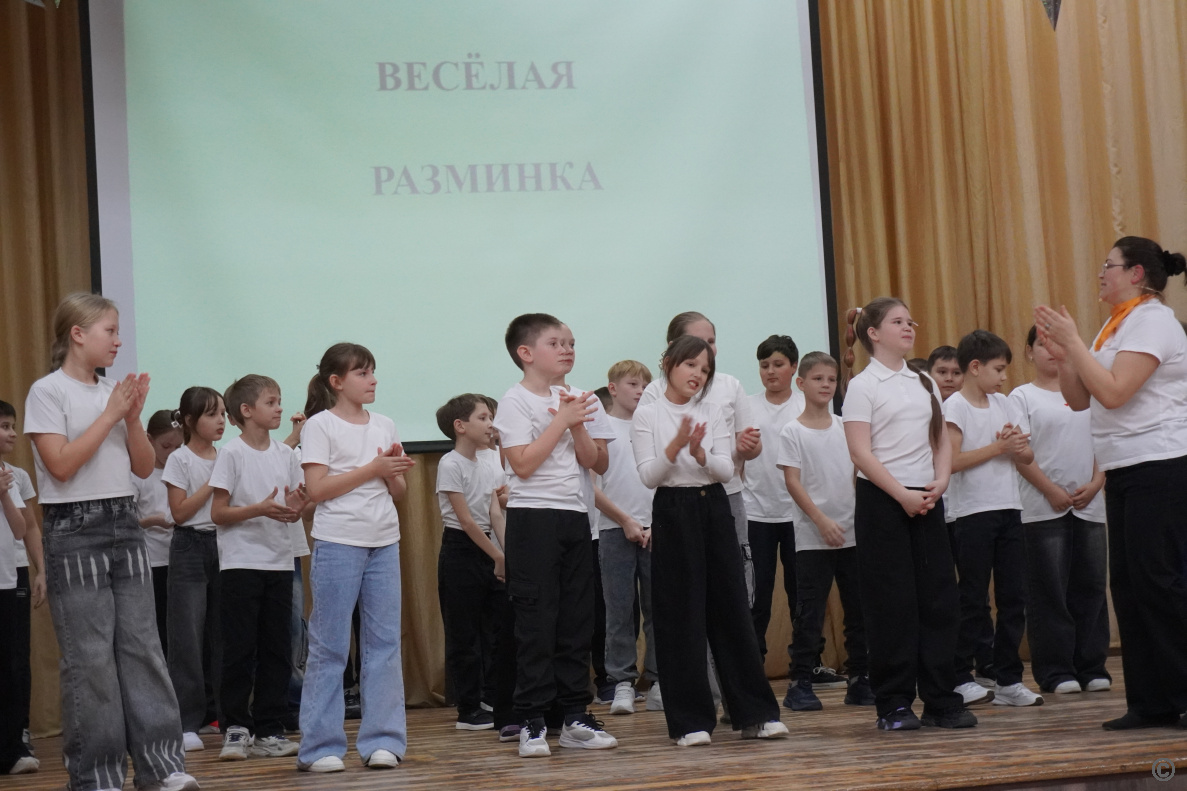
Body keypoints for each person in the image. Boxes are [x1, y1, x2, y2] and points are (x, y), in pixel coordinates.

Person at [24, 292, 198, 790]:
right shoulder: (48, 391)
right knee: (91, 659)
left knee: (144, 648)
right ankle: (97, 776)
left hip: (124, 520)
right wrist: (110, 414)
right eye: (110, 331)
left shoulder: (112, 394)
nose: (118, 341)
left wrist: (131, 416)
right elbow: (60, 465)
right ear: (78, 334)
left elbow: (143, 467)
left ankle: (162, 768)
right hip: (74, 527)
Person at [1035, 236, 1187, 730]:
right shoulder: (1113, 325)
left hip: (1160, 464)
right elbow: (1081, 400)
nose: (1101, 273)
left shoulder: (1153, 321)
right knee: (1128, 586)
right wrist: (1065, 356)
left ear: (1136, 273)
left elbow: (1116, 392)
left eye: (1109, 265)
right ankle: (1150, 702)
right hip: (1124, 468)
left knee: (1160, 583)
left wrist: (1076, 344)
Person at [632, 335, 787, 746]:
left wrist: (701, 455)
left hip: (714, 505)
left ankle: (756, 714)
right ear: (669, 363)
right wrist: (675, 447)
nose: (698, 375)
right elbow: (649, 476)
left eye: (705, 369)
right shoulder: (648, 413)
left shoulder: (713, 410)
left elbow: (725, 469)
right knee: (680, 615)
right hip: (672, 510)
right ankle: (690, 722)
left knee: (732, 609)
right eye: (690, 365)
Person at [842, 297, 973, 731]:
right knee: (891, 603)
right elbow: (860, 451)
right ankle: (894, 703)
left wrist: (941, 479)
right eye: (897, 321)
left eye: (910, 321)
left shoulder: (923, 380)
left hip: (927, 498)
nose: (908, 327)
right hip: (884, 501)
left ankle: (941, 699)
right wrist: (901, 494)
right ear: (873, 333)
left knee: (939, 599)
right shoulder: (864, 385)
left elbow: (939, 439)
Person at [493, 313, 618, 758]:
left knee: (575, 622)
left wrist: (577, 422)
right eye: (555, 343)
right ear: (526, 353)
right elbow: (522, 464)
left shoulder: (583, 399)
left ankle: (574, 716)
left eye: (570, 342)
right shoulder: (514, 401)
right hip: (532, 520)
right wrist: (561, 421)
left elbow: (597, 462)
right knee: (536, 621)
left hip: (576, 518)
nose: (567, 349)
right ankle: (531, 719)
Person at [297, 343, 413, 771]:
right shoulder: (320, 425)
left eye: (372, 371)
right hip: (338, 541)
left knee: (384, 644)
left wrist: (394, 473)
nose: (372, 380)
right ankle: (321, 746)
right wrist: (374, 469)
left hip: (384, 540)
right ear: (337, 382)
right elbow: (317, 490)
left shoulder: (384, 424)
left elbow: (398, 492)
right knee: (329, 645)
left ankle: (383, 740)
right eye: (362, 373)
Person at [210, 375, 307, 761]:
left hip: (280, 562)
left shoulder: (286, 455)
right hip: (240, 563)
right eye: (271, 402)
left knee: (277, 648)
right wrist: (260, 509)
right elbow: (218, 513)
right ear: (247, 411)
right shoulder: (231, 453)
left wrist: (297, 506)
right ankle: (236, 727)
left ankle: (270, 728)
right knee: (239, 648)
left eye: (279, 400)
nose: (280, 408)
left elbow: (297, 505)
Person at [944, 330, 1042, 708]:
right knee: (972, 598)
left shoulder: (1004, 403)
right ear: (975, 367)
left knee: (1014, 597)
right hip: (972, 514)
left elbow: (1026, 456)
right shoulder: (955, 407)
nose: (1003, 377)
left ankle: (1008, 680)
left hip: (1010, 509)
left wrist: (1016, 446)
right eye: (998, 369)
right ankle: (959, 675)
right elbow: (952, 462)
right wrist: (998, 447)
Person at [1010, 325, 1110, 695]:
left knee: (1092, 586)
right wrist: (1051, 490)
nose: (1051, 351)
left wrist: (1097, 482)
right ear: (1029, 351)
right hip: (1041, 507)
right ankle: (1056, 671)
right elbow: (1017, 453)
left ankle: (1092, 666)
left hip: (1090, 504)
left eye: (1057, 344)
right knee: (1048, 590)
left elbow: (1106, 439)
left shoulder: (1089, 392)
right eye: (1042, 344)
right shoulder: (1022, 396)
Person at [778, 352, 873, 712]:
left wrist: (854, 518)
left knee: (858, 610)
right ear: (801, 383)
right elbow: (793, 481)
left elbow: (857, 472)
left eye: (831, 379)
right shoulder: (793, 431)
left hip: (851, 534)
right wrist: (820, 520)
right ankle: (800, 683)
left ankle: (860, 679)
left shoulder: (845, 427)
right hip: (813, 538)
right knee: (810, 613)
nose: (826, 385)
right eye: (818, 379)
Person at [740, 335, 817, 689]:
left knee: (802, 591)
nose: (770, 371)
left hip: (799, 513)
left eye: (778, 364)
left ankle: (808, 664)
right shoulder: (746, 406)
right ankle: (751, 664)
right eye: (764, 365)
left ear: (794, 368)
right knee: (758, 594)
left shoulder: (806, 405)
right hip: (756, 512)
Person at [435, 393, 507, 731]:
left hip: (490, 547)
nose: (490, 424)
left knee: (495, 629)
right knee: (463, 633)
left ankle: (491, 697)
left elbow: (494, 512)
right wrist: (496, 555)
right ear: (460, 426)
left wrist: (504, 554)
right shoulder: (450, 463)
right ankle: (468, 708)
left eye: (491, 417)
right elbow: (465, 520)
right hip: (461, 550)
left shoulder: (490, 462)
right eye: (483, 417)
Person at [592, 360, 659, 715]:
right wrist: (625, 520)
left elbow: (665, 477)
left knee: (658, 608)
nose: (640, 390)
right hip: (614, 529)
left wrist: (654, 523)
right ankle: (621, 682)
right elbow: (592, 486)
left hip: (655, 528)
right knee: (619, 610)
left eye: (645, 385)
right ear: (613, 388)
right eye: (633, 384)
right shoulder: (600, 429)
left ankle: (659, 680)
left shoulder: (653, 426)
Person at [163, 387, 227, 751]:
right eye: (211, 414)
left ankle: (217, 715)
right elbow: (180, 512)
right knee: (187, 635)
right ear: (189, 420)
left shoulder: (227, 455)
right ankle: (186, 721)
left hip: (225, 544)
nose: (221, 421)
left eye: (223, 413)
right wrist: (213, 482)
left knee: (222, 633)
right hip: (189, 545)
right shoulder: (180, 459)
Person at [0, 400, 44, 765]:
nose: (12, 433)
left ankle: (16, 736)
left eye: (13, 426)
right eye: (4, 426)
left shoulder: (14, 476)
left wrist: (40, 569)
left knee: (15, 659)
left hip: (11, 573)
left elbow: (24, 527)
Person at [133, 410, 183, 653]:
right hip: (153, 560)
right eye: (166, 446)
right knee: (159, 623)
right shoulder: (139, 475)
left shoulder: (182, 470)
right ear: (149, 440)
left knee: (181, 624)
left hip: (181, 558)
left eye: (178, 447)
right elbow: (126, 521)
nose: (172, 453)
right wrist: (152, 521)